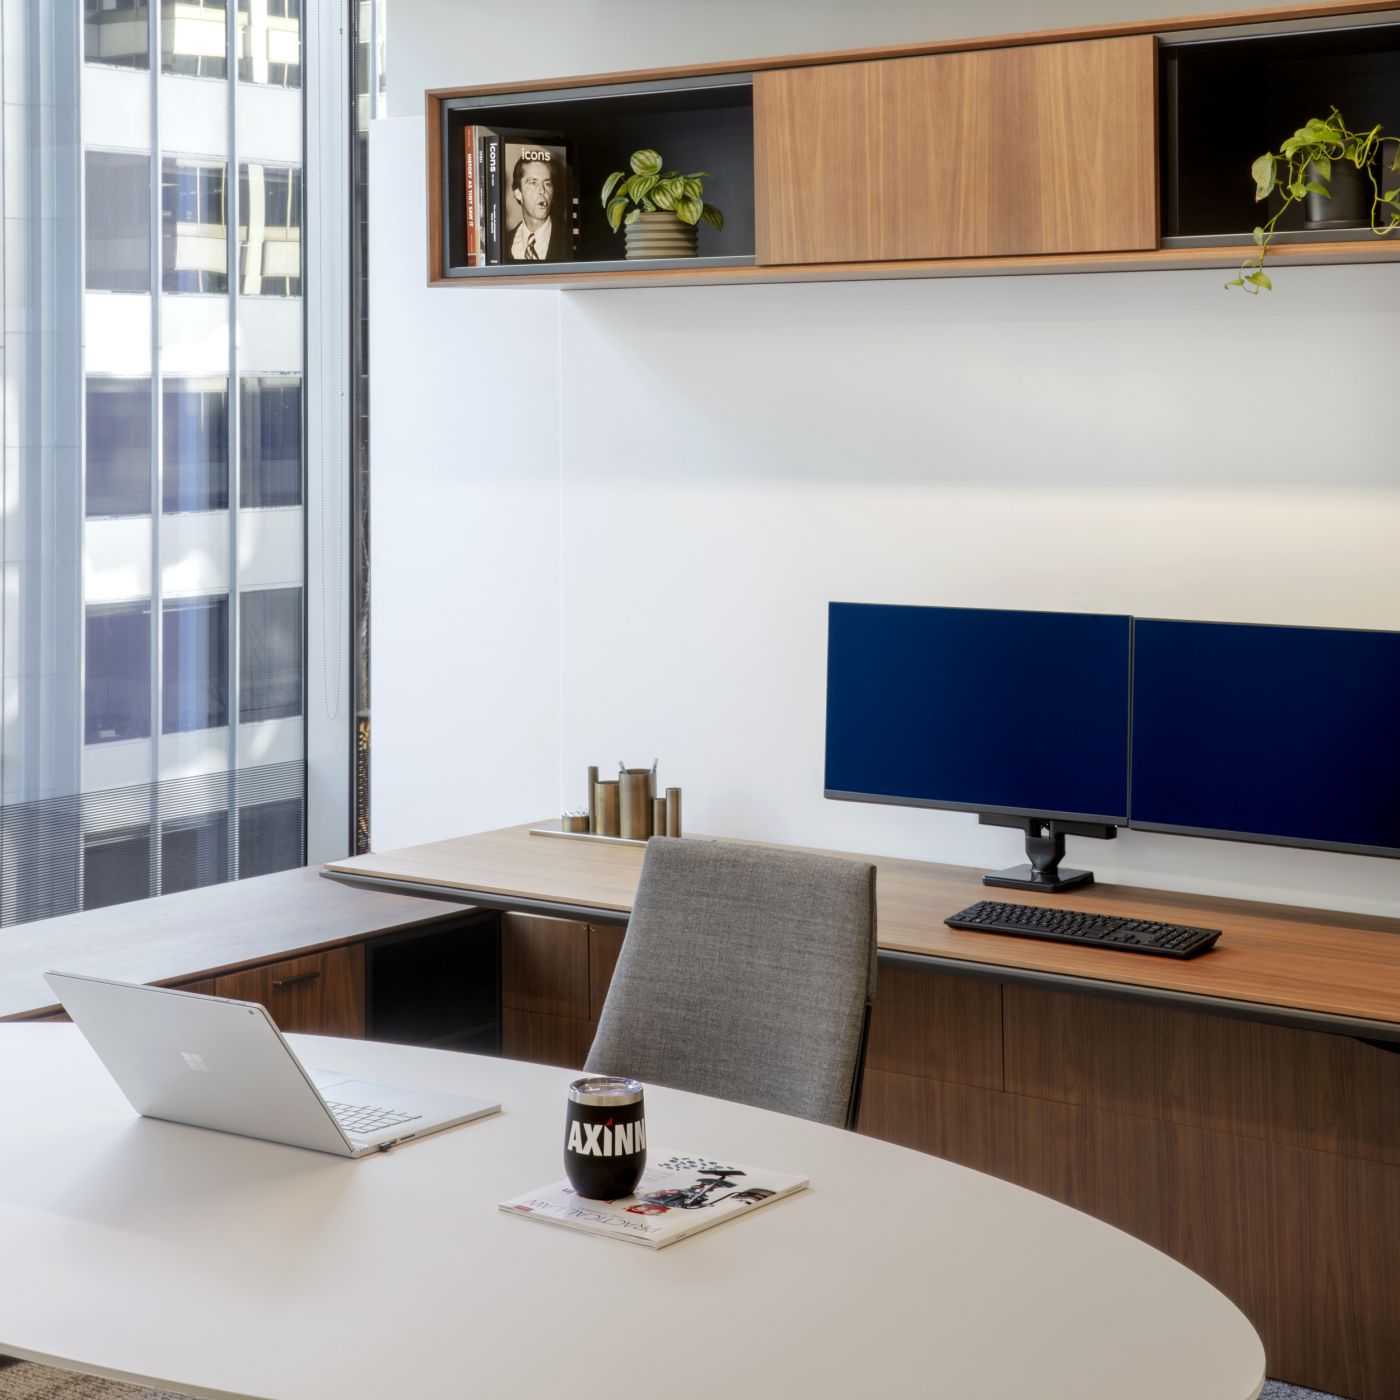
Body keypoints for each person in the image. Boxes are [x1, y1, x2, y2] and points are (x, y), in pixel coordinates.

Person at [506, 153, 557, 262]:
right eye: (533, 183)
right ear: (518, 193)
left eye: (547, 184)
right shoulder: (504, 242)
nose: (542, 191)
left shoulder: (567, 237)